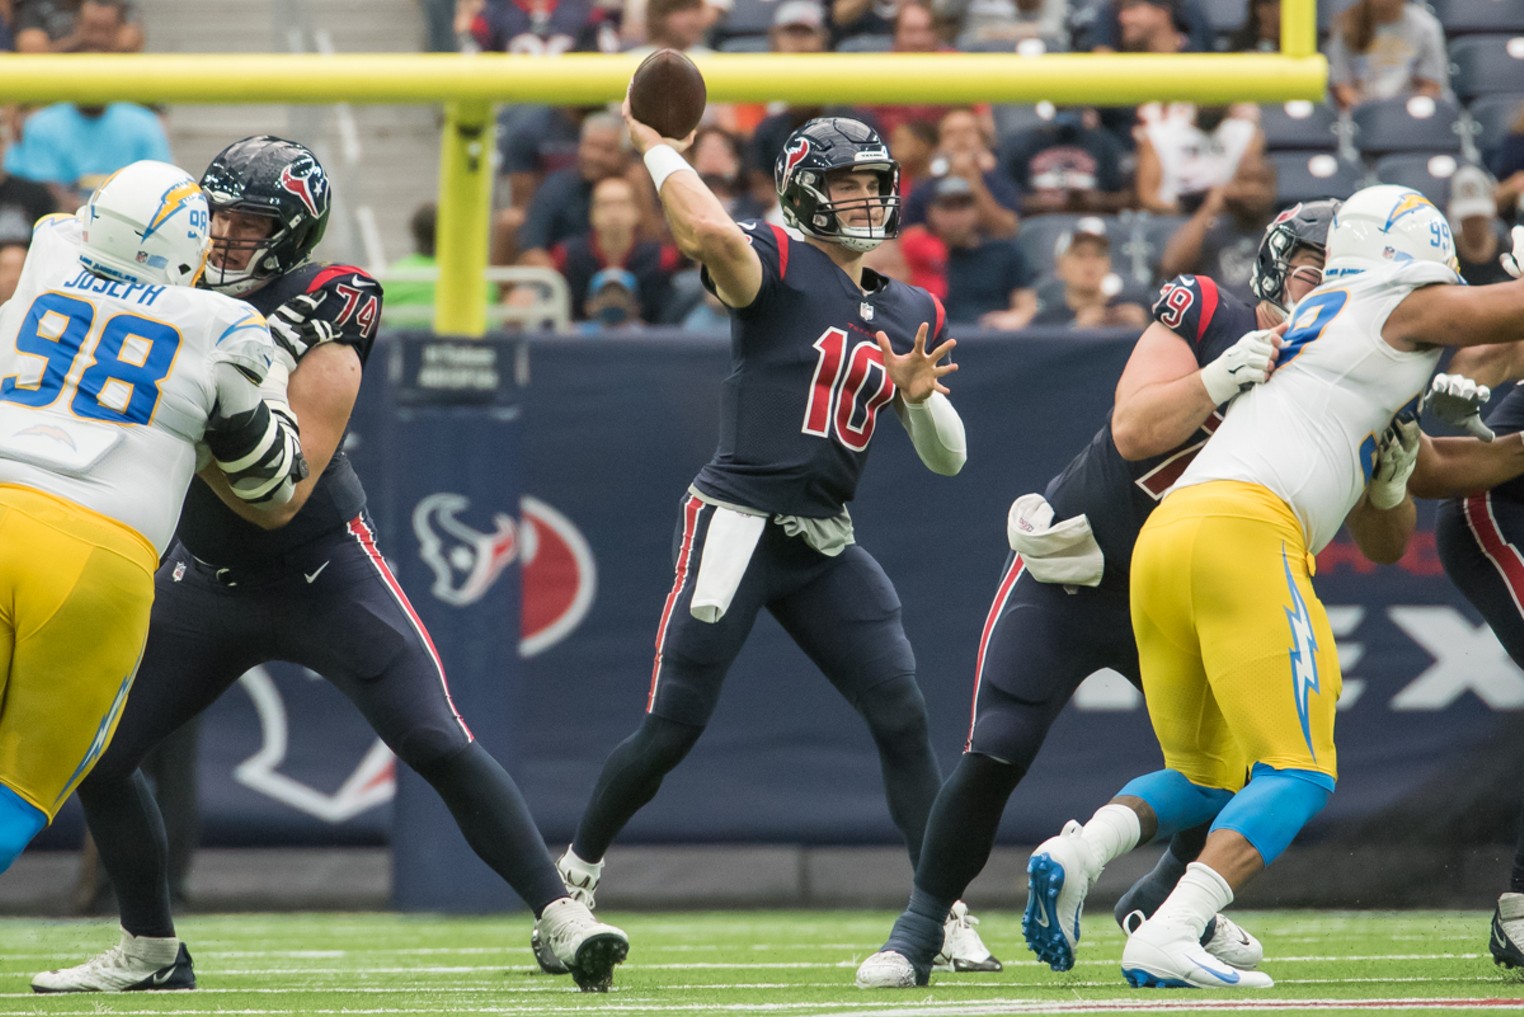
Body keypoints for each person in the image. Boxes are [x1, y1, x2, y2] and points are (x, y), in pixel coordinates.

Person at [30, 137, 629, 996]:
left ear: (292, 233)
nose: (225, 233)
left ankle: (560, 915)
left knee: (436, 737)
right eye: (219, 212)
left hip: (320, 567)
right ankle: (150, 950)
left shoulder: (325, 303)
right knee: (102, 754)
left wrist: (207, 402)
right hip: (203, 578)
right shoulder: (168, 286)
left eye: (250, 221)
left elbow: (278, 492)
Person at [1020, 185, 1524, 989]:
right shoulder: (1389, 301)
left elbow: (1437, 469)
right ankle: (1175, 925)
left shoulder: (1335, 331)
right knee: (1298, 769)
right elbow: (1498, 316)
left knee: (1204, 775)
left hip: (1173, 533)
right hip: (1247, 529)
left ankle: (1080, 851)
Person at [548, 110, 1000, 976]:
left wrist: (915, 396)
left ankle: (939, 910)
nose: (865, 199)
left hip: (824, 540)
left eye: (875, 183)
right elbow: (711, 229)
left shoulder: (911, 304)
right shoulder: (781, 263)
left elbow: (950, 458)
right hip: (738, 521)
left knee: (903, 714)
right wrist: (659, 149)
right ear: (802, 194)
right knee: (673, 726)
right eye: (845, 185)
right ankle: (573, 879)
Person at [854, 199, 1339, 989]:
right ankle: (918, 928)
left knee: (1231, 764)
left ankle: (1170, 904)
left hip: (1183, 590)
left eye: (1341, 278)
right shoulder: (1209, 310)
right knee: (996, 747)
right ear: (1275, 269)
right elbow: (1134, 429)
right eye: (1315, 272)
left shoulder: (1331, 379)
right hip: (1076, 570)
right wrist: (1222, 374)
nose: (1325, 290)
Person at [0, 158, 305, 877]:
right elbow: (272, 487)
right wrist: (234, 417)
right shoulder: (228, 326)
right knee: (15, 797)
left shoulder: (48, 246)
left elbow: (81, 229)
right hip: (97, 560)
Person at [898, 175, 1036, 327]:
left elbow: (1026, 305)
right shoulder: (916, 253)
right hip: (934, 338)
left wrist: (1016, 318)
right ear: (931, 212)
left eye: (963, 207)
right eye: (947, 208)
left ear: (976, 211)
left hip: (991, 337)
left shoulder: (1004, 252)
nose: (956, 216)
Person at [1159, 151, 1278, 301]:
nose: (1253, 190)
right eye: (1245, 181)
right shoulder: (1213, 228)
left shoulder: (1284, 233)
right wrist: (1211, 206)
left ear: (1274, 188)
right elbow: (1171, 266)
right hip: (1218, 317)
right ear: (1231, 184)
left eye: (1262, 182)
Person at [1327, 0, 1449, 111]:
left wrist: (1401, 114)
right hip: (1363, 115)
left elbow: (1432, 86)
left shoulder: (1426, 27)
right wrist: (1366, 112)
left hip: (1409, 116)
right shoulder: (1347, 24)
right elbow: (1341, 86)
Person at [1028, 217, 1149, 329]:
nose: (1090, 263)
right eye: (1080, 255)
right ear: (1060, 265)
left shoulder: (1132, 304)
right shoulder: (1048, 321)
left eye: (1099, 254)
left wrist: (1144, 329)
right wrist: (1076, 329)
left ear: (1109, 263)